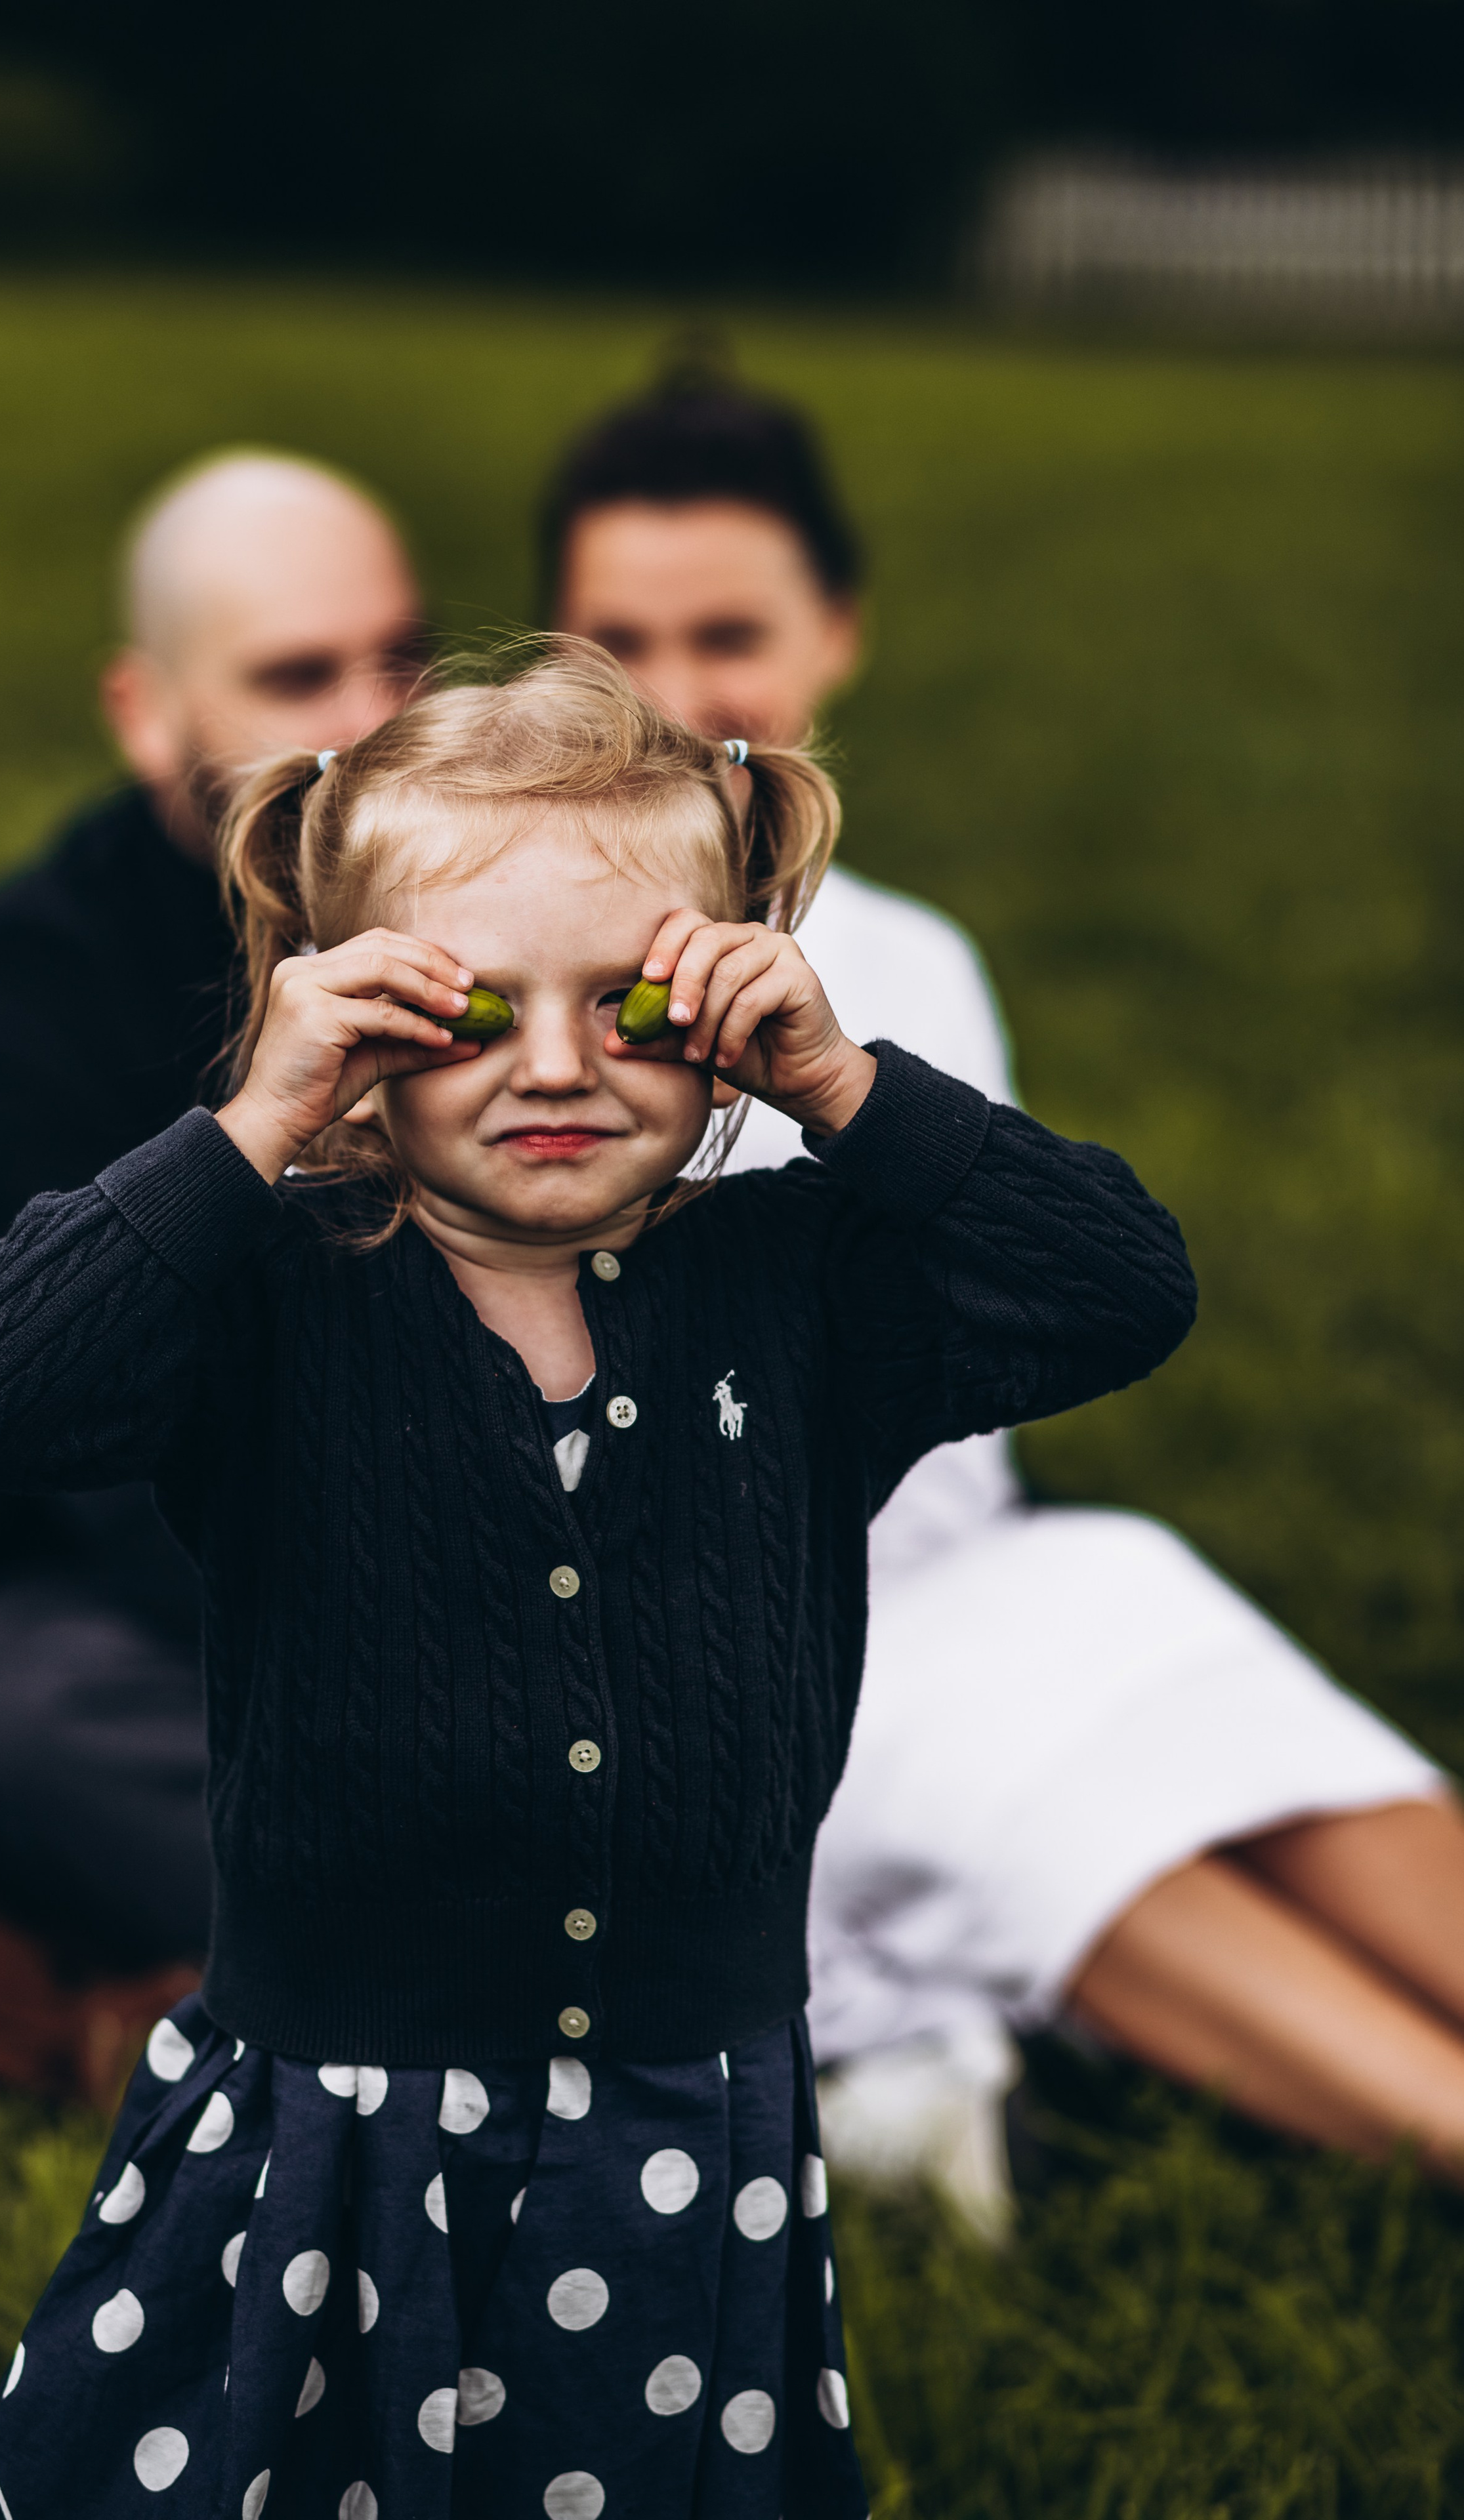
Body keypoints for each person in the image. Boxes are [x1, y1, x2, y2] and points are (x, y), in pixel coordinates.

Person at [0, 644, 1193, 2517]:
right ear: (353, 1020)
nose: (558, 1064)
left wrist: (847, 1086)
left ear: (729, 1002)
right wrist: (251, 1127)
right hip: (332, 2120)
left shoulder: (809, 1284)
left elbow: (1120, 1287)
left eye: (635, 1003)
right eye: (473, 1007)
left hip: (689, 2117)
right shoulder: (274, 1286)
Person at [543, 363, 1464, 2188]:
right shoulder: (507, 971)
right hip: (683, 1650)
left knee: (1116, 1599)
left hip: (946, 1555)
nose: (681, 692)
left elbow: (1010, 1336)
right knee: (996, 1758)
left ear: (837, 636)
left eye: (730, 630)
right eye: (620, 636)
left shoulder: (908, 958)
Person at [0, 449, 424, 1970]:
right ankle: (575, 1992)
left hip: (514, 1560)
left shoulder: (491, 913)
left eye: (399, 662)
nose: (366, 727)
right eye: (295, 674)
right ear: (149, 715)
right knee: (1, 1715)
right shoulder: (20, 1003)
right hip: (151, 1602)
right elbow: (60, 1463)